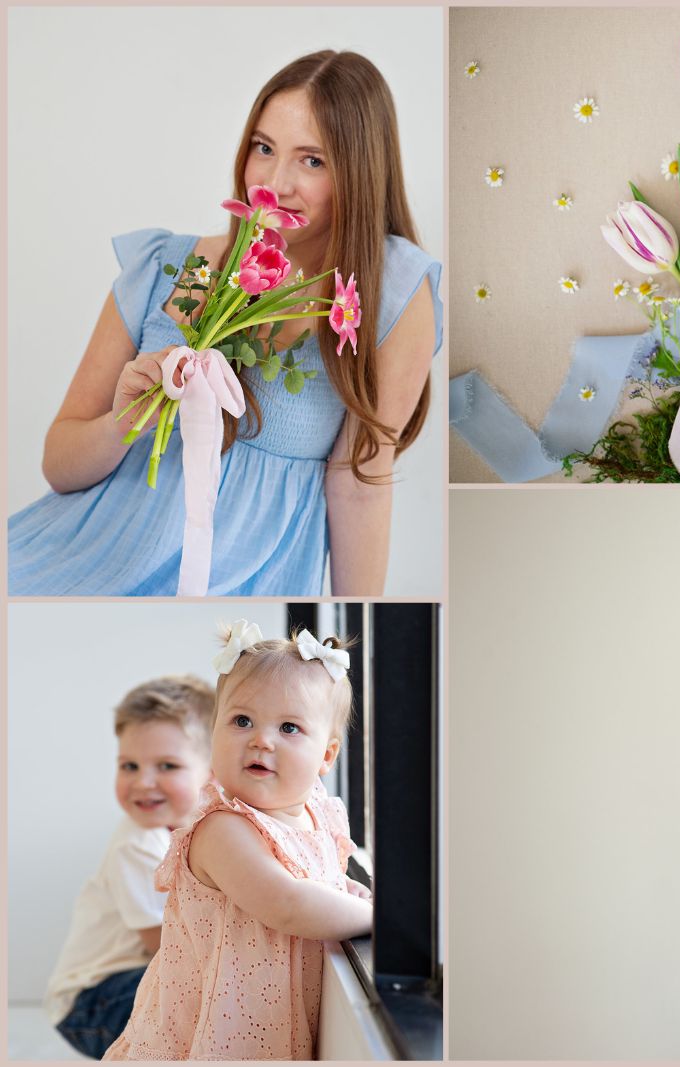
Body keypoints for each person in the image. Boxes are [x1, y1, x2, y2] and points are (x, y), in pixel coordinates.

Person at [9, 50, 443, 596]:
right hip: (76, 565)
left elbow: (360, 486)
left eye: (313, 160)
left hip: (240, 596)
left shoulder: (391, 292)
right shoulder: (170, 266)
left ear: (359, 173)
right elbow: (58, 463)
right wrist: (126, 421)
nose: (274, 183)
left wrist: (355, 627)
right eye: (264, 148)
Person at [104, 622, 372, 1060]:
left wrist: (347, 890)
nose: (261, 740)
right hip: (212, 1034)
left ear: (327, 755)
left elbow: (318, 881)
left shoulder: (317, 815)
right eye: (242, 721)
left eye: (289, 727)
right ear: (214, 734)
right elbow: (288, 903)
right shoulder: (222, 829)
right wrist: (380, 916)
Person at [44, 676, 212, 1059]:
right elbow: (165, 947)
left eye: (167, 765)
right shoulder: (137, 844)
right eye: (129, 765)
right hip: (92, 999)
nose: (143, 782)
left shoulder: (203, 828)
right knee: (196, 992)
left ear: (212, 769)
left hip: (126, 981)